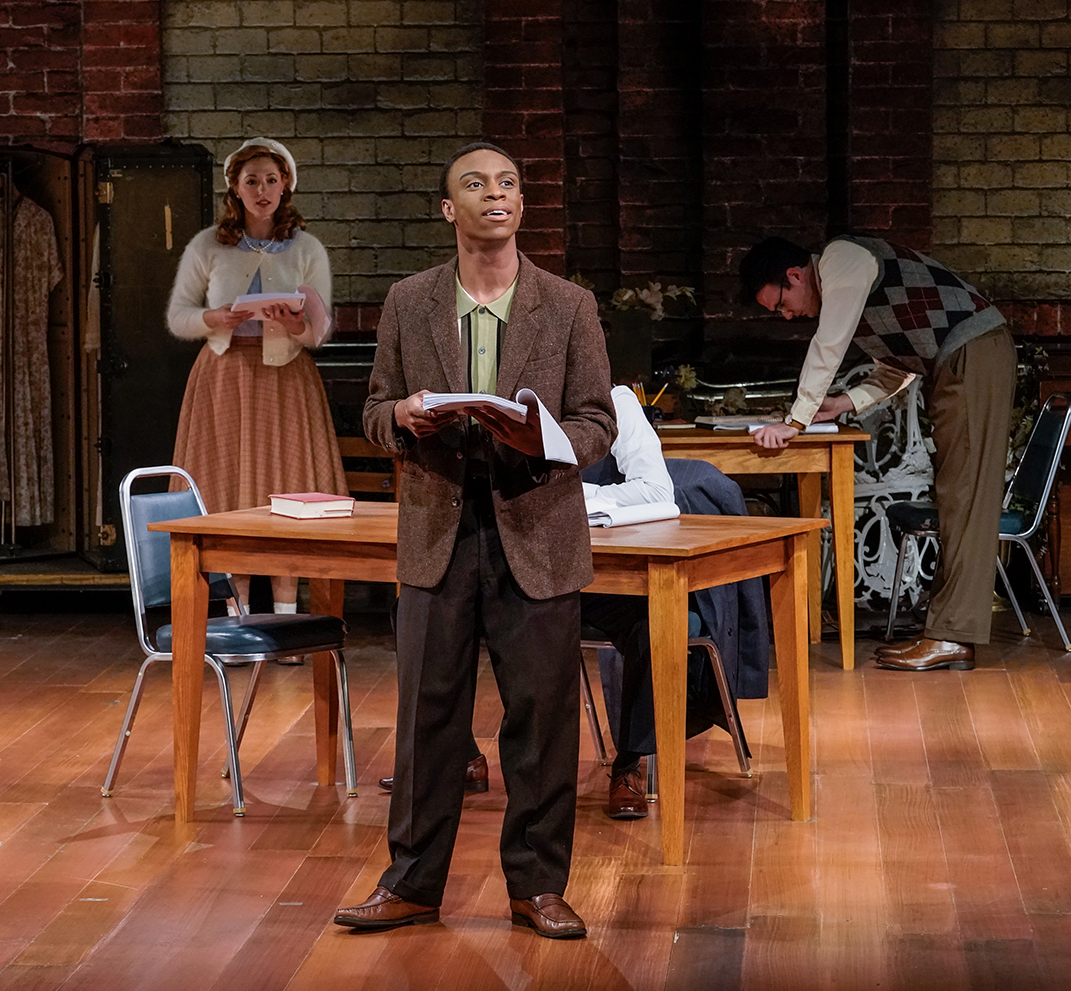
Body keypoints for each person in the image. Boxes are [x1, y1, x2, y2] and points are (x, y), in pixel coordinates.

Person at [334, 142, 616, 939]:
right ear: (447, 208)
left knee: (540, 719)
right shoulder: (409, 300)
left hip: (537, 529)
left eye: (508, 183)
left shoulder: (567, 304)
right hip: (439, 530)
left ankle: (537, 886)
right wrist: (402, 417)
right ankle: (410, 882)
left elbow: (598, 421)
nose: (496, 193)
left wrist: (541, 437)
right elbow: (374, 408)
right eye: (476, 183)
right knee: (427, 719)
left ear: (520, 204)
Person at [739, 234, 1016, 672]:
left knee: (965, 496)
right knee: (956, 495)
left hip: (973, 352)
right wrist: (842, 403)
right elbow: (897, 368)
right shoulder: (851, 290)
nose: (787, 316)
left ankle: (953, 636)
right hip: (958, 360)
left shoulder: (842, 260)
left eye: (781, 305)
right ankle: (945, 631)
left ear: (795, 275)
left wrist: (795, 420)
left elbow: (828, 344)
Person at [166, 138, 347, 615]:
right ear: (235, 188)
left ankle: (287, 616)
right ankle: (237, 618)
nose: (262, 190)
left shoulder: (306, 247)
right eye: (252, 181)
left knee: (288, 490)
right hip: (224, 377)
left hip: (285, 378)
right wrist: (214, 318)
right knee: (228, 492)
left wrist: (294, 324)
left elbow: (319, 330)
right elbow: (178, 316)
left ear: (285, 185)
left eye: (271, 180)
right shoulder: (208, 245)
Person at [581, 386, 771, 818]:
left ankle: (628, 762)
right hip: (523, 571)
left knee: (656, 619)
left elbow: (655, 491)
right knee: (440, 612)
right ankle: (462, 755)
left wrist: (571, 497)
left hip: (603, 577)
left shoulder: (615, 401)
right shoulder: (507, 404)